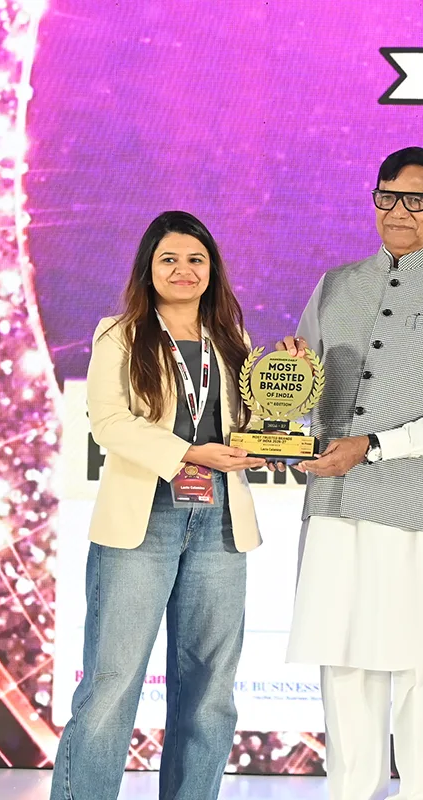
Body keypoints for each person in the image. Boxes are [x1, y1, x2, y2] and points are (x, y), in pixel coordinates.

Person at [278, 146, 423, 800]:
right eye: (387, 196)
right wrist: (287, 391)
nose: (399, 211)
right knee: (343, 661)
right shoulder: (335, 285)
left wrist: (371, 446)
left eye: (415, 199)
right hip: (335, 502)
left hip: (421, 508)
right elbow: (303, 397)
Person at [51, 211, 264, 800]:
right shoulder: (118, 334)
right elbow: (109, 421)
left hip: (220, 523)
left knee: (210, 691)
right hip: (143, 524)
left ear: (212, 270)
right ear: (148, 268)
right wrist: (188, 453)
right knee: (112, 683)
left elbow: (250, 423)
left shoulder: (234, 339)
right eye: (169, 259)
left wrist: (286, 378)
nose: (183, 270)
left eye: (196, 259)